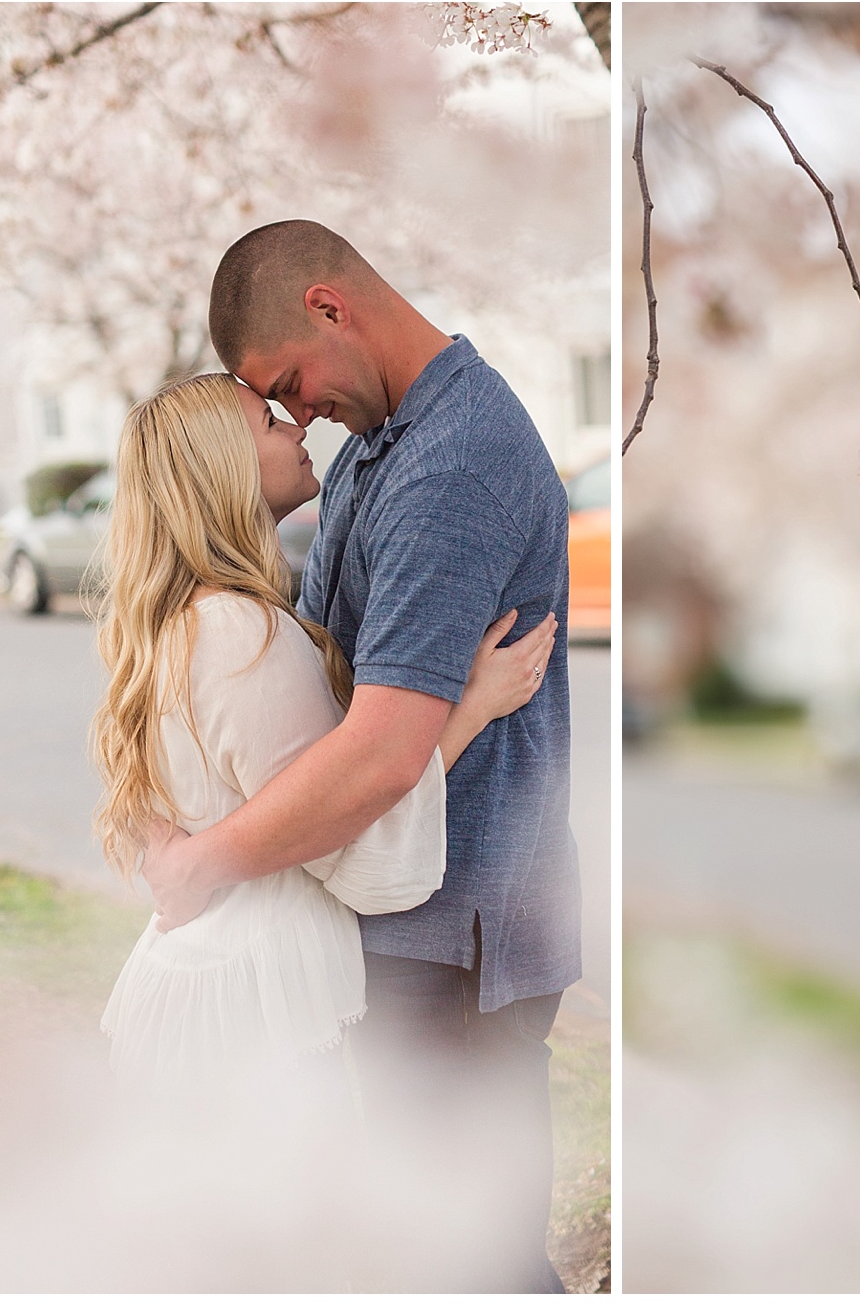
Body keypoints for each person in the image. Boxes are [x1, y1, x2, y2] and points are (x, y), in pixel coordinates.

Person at [140, 221, 579, 1292]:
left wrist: (203, 863)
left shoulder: (454, 461)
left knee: (473, 1262)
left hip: (454, 938)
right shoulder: (384, 441)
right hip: (397, 926)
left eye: (289, 382)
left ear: (332, 308)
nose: (297, 414)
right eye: (271, 406)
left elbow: (380, 754)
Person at [92, 374, 552, 1100]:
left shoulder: (179, 623)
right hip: (257, 1001)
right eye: (270, 424)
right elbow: (351, 845)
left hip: (211, 979)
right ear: (225, 469)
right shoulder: (240, 632)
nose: (299, 428)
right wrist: (469, 708)